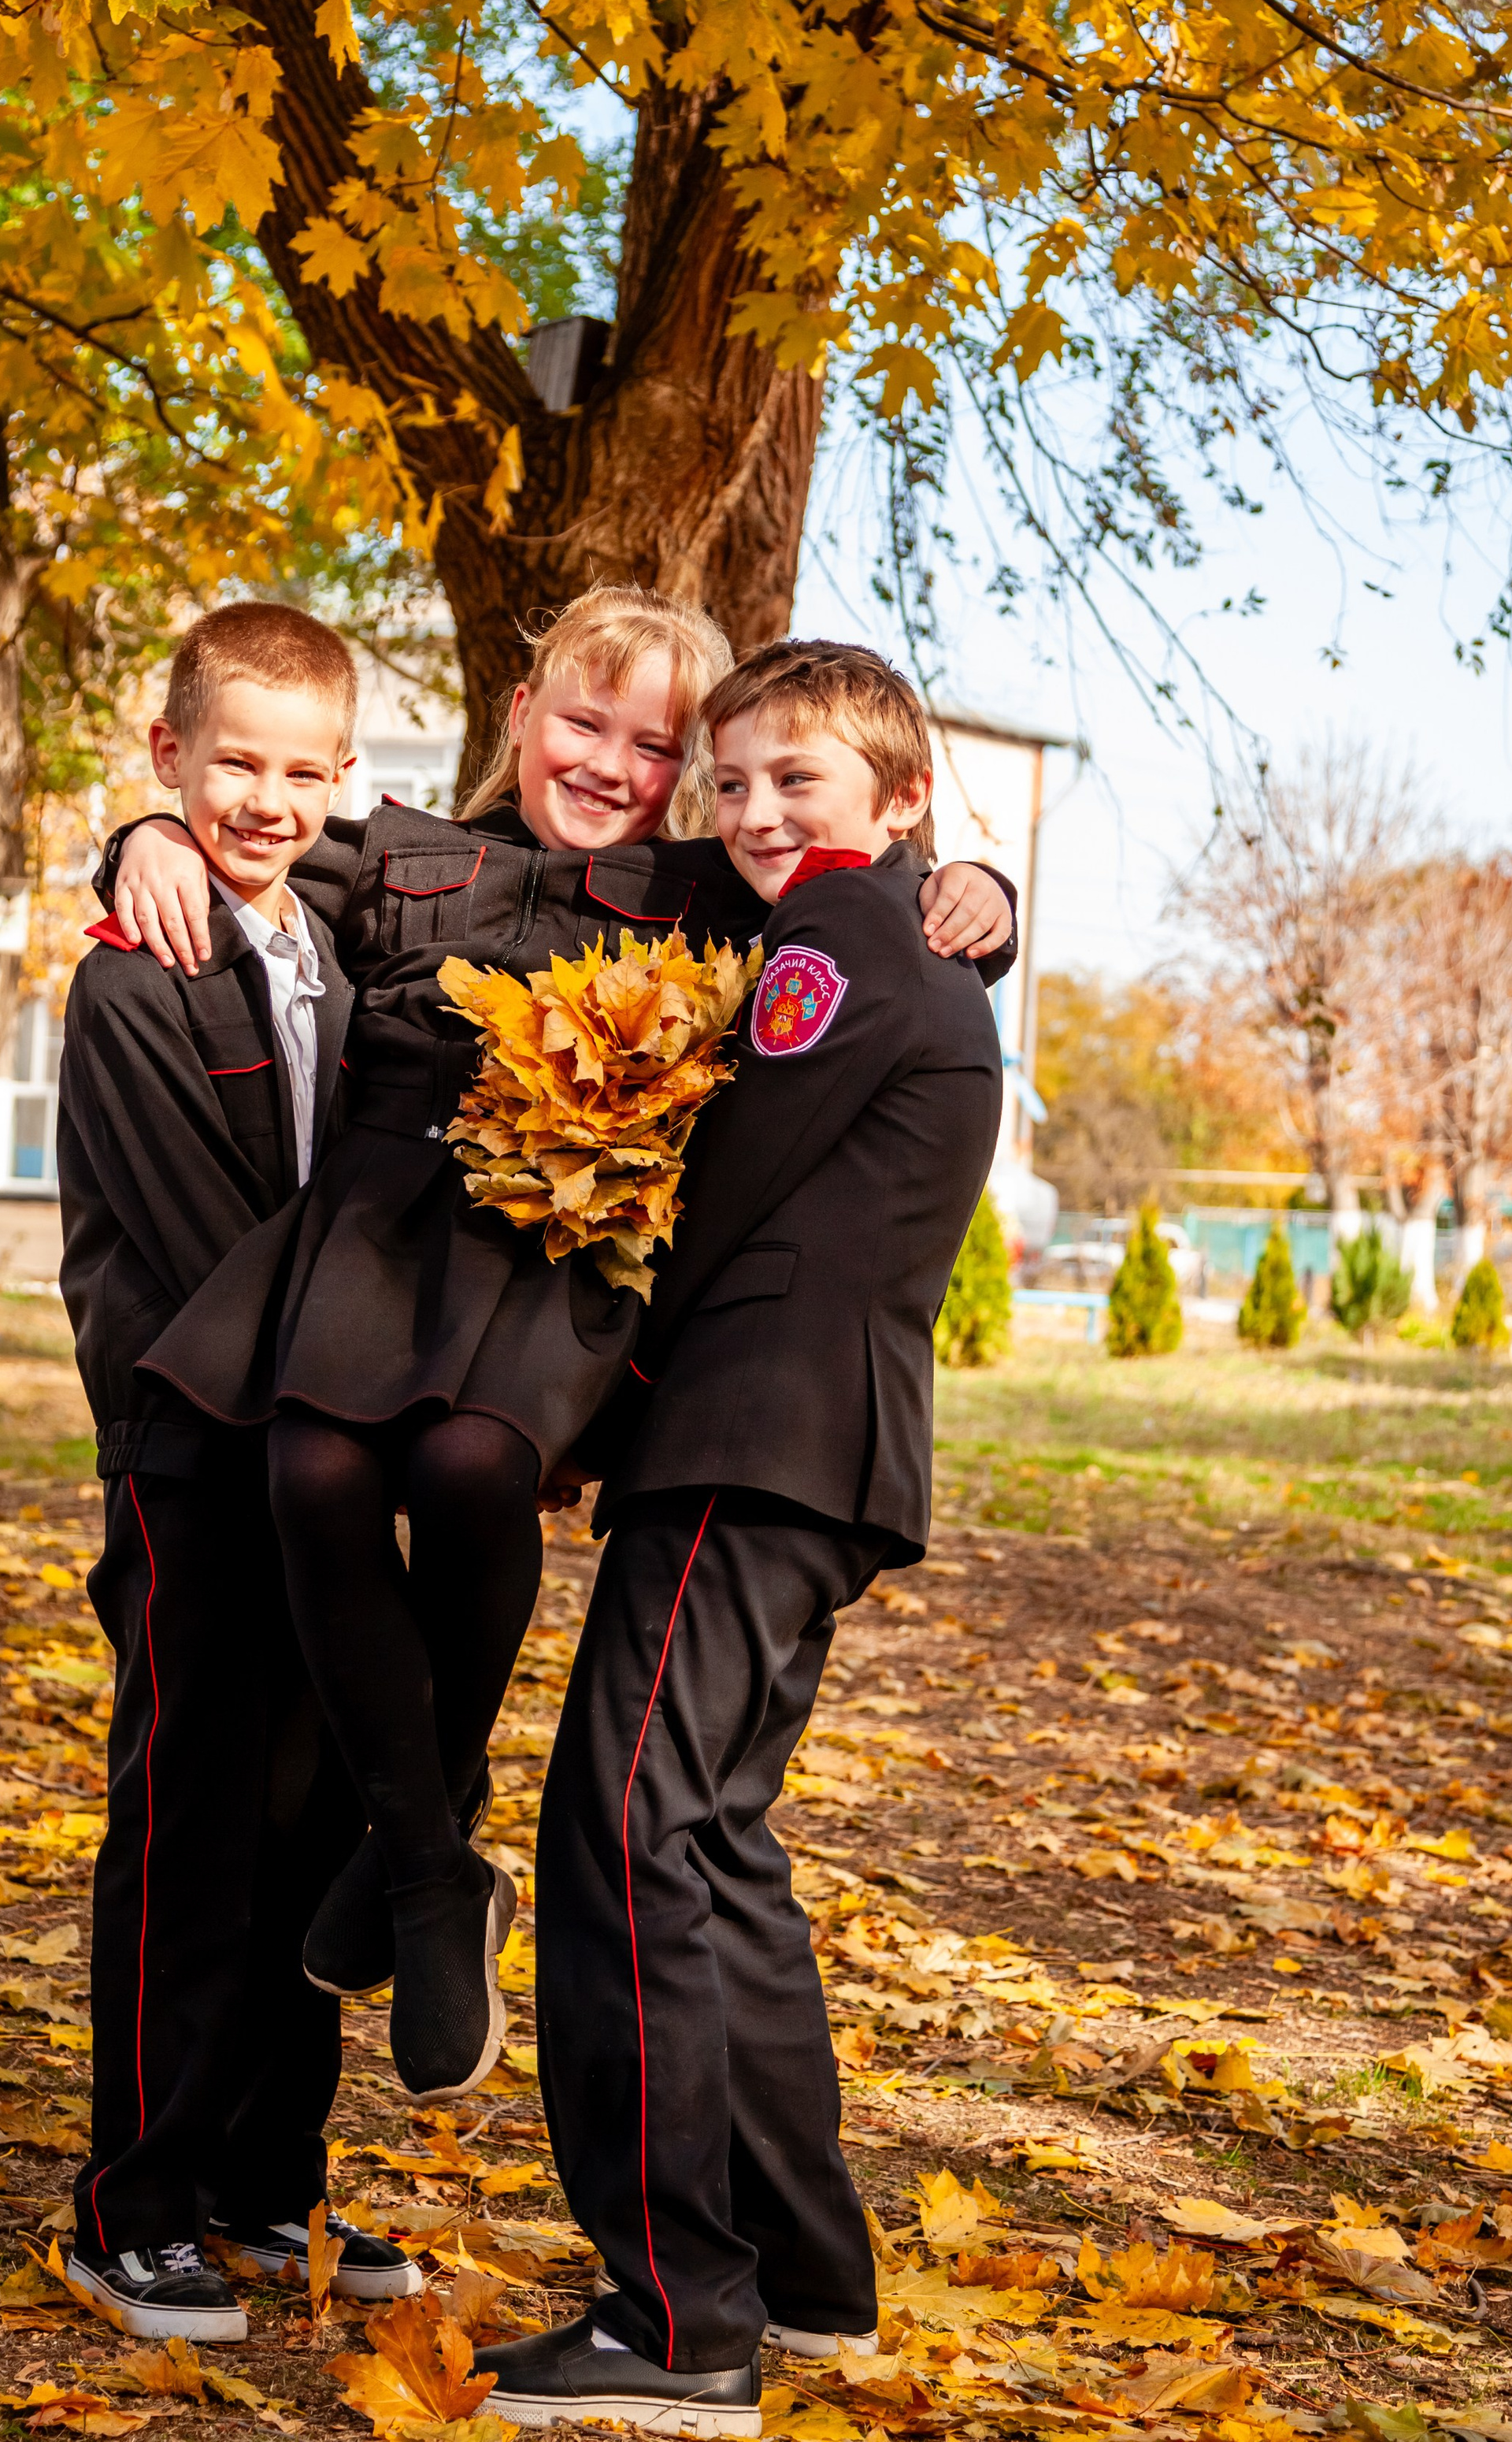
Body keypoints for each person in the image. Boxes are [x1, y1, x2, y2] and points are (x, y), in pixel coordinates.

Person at [98, 592, 1016, 2112]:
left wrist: (973, 883)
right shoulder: (398, 852)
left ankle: (417, 1847)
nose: (611, 765)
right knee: (311, 1466)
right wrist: (137, 833)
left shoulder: (717, 890)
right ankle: (426, 1863)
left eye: (659, 747)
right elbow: (245, 842)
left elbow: (856, 926)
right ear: (520, 708)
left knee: (471, 1470)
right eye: (583, 723)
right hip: (385, 1233)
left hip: (557, 1254)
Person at [478, 640, 1009, 2436]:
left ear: (902, 804)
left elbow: (707, 1199)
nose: (756, 812)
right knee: (711, 1839)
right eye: (734, 785)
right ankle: (803, 2275)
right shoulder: (881, 933)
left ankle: (673, 2313)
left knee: (621, 1830)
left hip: (748, 1441)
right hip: (814, 1451)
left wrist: (568, 1413)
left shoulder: (840, 947)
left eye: (801, 780)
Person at [57, 600, 417, 2340]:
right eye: (228, 768)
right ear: (165, 759)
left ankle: (266, 2175)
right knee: (194, 1813)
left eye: (300, 772)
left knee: (305, 1810)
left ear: (342, 783)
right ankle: (136, 2196)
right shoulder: (133, 970)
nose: (263, 802)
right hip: (192, 1445)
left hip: (323, 1459)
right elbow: (225, 1257)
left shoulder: (335, 941)